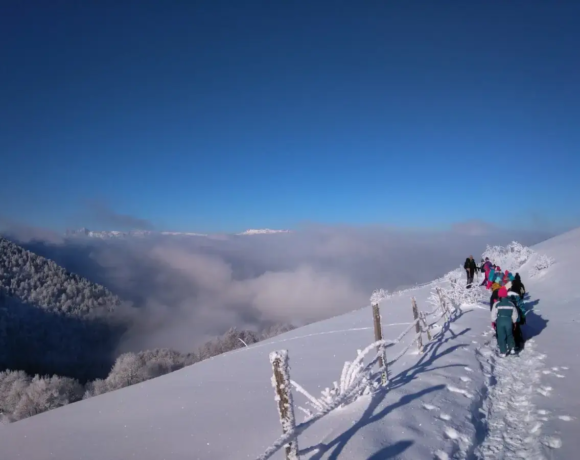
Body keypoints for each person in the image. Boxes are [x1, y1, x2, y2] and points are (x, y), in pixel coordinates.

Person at [491, 287, 520, 356]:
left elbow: (493, 315)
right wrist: (514, 321)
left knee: (501, 336)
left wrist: (494, 320)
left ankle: (503, 351)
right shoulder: (511, 304)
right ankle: (512, 348)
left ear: (499, 295)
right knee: (510, 334)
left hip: (500, 320)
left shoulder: (496, 304)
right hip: (509, 321)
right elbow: (515, 314)